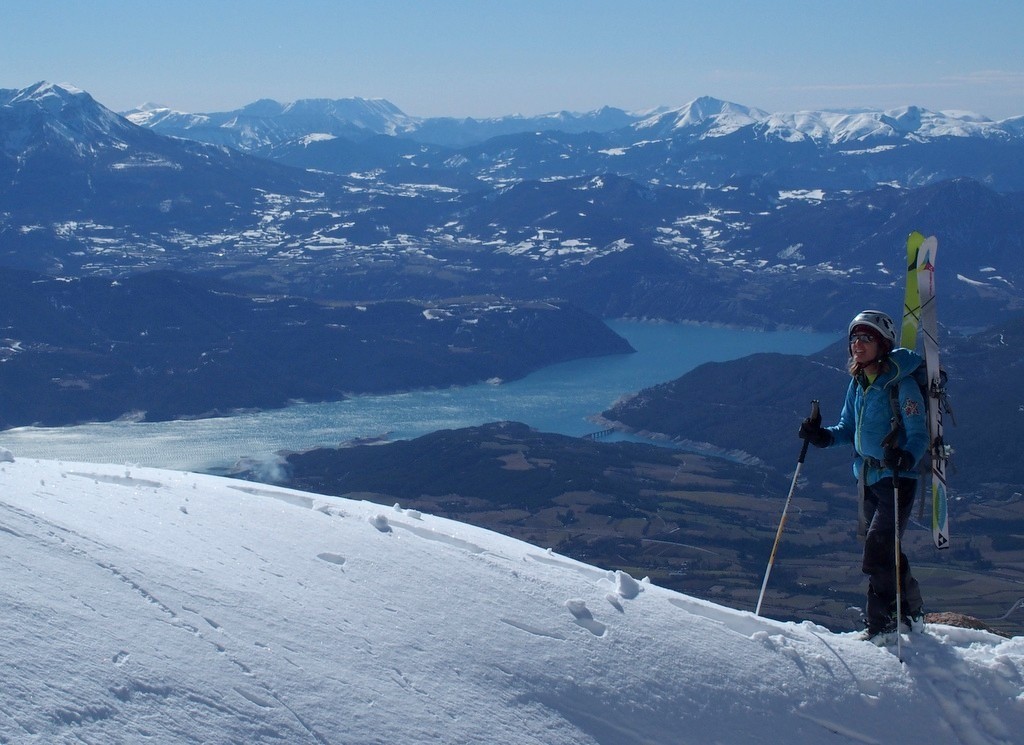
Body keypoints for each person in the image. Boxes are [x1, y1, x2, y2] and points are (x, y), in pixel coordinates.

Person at [798, 310, 928, 642]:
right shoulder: (858, 383)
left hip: (898, 480)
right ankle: (911, 611)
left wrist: (906, 456)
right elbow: (847, 429)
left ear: (883, 344)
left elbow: (919, 435)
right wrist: (822, 436)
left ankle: (881, 625)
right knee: (886, 549)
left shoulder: (904, 385)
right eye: (854, 338)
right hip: (868, 479)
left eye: (866, 338)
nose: (858, 344)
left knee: (877, 551)